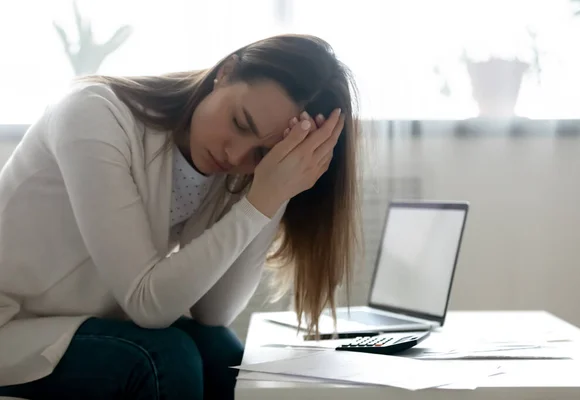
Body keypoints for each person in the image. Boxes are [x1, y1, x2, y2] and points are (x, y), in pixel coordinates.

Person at [0, 34, 362, 399]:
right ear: (226, 72)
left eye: (263, 154)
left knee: (221, 352)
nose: (236, 156)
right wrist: (259, 202)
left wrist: (277, 184)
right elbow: (147, 303)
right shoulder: (93, 113)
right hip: (8, 323)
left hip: (71, 322)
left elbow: (213, 312)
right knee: (164, 359)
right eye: (239, 122)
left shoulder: (231, 169)